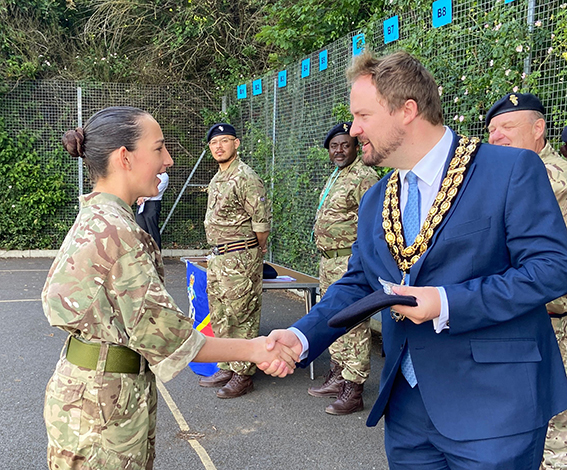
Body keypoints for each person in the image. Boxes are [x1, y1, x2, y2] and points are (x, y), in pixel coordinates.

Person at [260, 50, 567, 469]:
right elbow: (359, 283)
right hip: (407, 410)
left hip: (495, 407)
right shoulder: (374, 199)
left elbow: (551, 269)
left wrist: (446, 303)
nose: (353, 129)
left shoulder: (509, 169)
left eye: (363, 115)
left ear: (407, 110)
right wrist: (301, 336)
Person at [43, 107, 296, 470]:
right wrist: (257, 348)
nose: (169, 160)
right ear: (125, 158)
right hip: (103, 409)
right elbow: (174, 340)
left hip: (88, 397)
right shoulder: (120, 234)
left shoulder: (98, 216)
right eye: (159, 149)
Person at [486, 93, 567, 469]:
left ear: (539, 130)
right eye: (491, 130)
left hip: (555, 323)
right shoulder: (506, 177)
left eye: (507, 127)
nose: (496, 136)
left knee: (555, 427)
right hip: (520, 319)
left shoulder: (553, 178)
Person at [308, 121, 378, 415]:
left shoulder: (364, 176)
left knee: (353, 322)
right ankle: (339, 374)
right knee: (335, 319)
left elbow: (373, 223)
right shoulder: (338, 175)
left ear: (356, 147)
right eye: (334, 146)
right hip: (329, 261)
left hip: (349, 261)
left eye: (345, 145)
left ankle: (354, 388)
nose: (338, 150)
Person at [198, 123, 271, 398]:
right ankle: (227, 365)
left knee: (242, 314)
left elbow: (261, 223)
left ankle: (243, 373)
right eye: (214, 143)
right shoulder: (218, 178)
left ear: (236, 144)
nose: (219, 147)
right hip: (219, 257)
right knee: (221, 313)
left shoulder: (245, 177)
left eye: (224, 141)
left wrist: (254, 249)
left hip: (240, 255)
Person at [136, 171, 169, 250]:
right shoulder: (149, 173)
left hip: (152, 204)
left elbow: (155, 191)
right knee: (140, 229)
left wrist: (143, 197)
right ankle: (142, 254)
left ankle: (156, 255)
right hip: (142, 204)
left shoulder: (164, 176)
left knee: (152, 230)